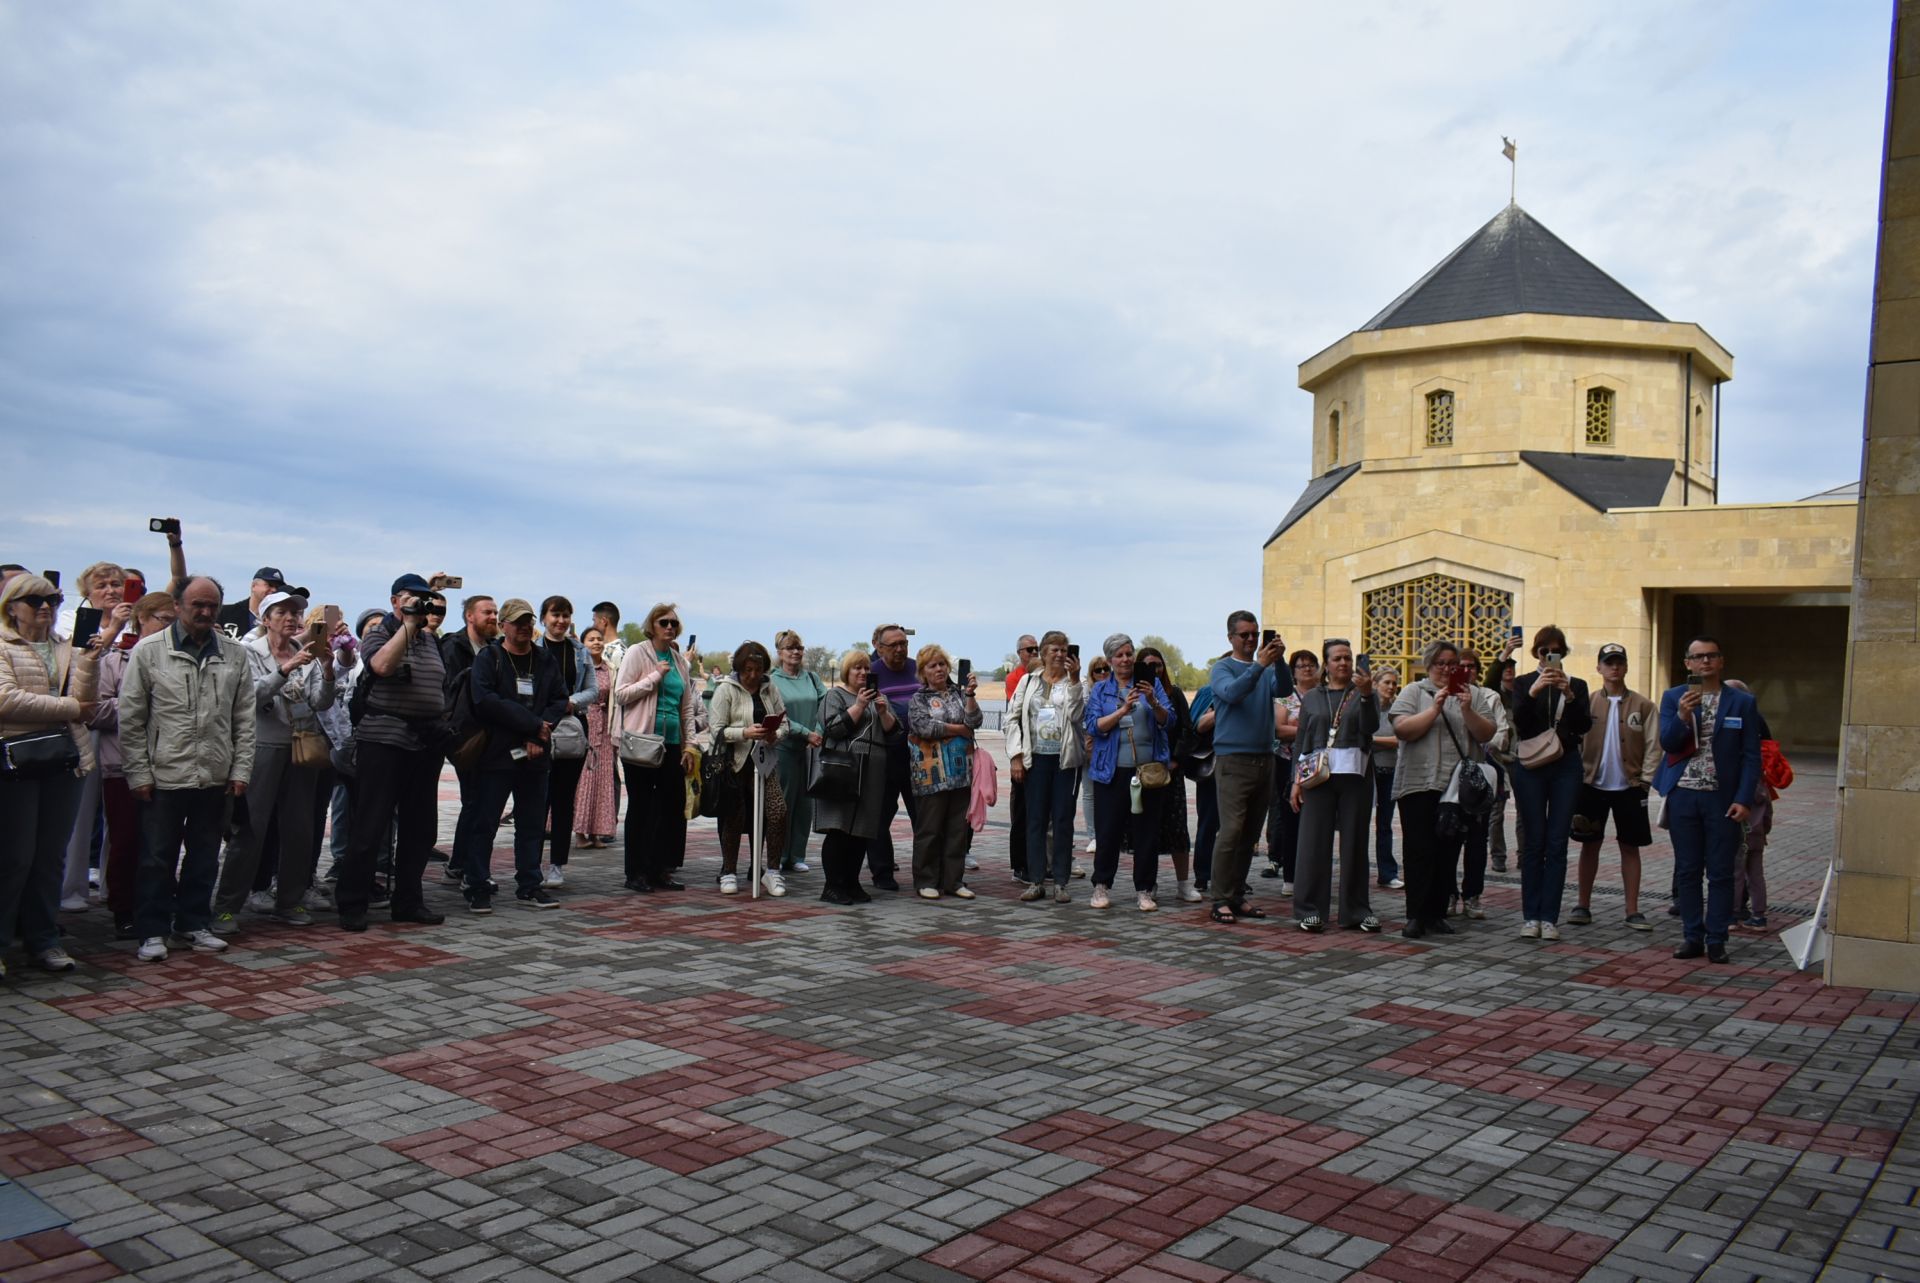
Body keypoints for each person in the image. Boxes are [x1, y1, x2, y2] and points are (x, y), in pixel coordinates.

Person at [120, 576, 249, 961]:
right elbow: (131, 718)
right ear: (178, 606)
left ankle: (194, 923)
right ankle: (152, 930)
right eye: (198, 605)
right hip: (164, 774)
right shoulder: (149, 651)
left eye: (213, 606)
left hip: (215, 773)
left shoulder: (233, 653)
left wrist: (240, 769)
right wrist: (138, 773)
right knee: (157, 857)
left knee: (205, 853)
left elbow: (244, 718)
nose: (206, 612)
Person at [211, 590, 336, 930]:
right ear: (265, 619)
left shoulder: (304, 652)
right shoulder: (248, 652)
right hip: (261, 746)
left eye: (296, 613)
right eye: (282, 612)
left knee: (299, 829)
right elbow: (248, 697)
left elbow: (319, 703)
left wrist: (327, 671)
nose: (291, 618)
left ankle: (290, 900)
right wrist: (284, 670)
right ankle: (226, 907)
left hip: (300, 748)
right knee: (250, 830)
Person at [337, 574, 450, 932]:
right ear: (394, 602)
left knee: (420, 829)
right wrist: (409, 624)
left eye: (423, 598)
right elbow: (382, 667)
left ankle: (408, 901)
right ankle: (353, 903)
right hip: (383, 741)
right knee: (370, 825)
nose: (419, 603)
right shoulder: (379, 633)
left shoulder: (430, 640)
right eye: (411, 598)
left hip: (425, 743)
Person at [0, 573, 101, 974]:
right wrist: (69, 708)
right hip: (17, 763)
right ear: (12, 606)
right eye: (34, 600)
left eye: (53, 600)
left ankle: (44, 938)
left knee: (50, 857)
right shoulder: (3, 645)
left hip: (66, 758)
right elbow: (6, 701)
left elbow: (87, 701)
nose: (45, 607)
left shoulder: (67, 646)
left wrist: (89, 662)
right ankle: (4, 940)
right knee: (14, 857)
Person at [1387, 640, 1509, 940]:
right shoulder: (1414, 692)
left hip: (1456, 787)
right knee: (1419, 850)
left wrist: (1466, 708)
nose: (1446, 669)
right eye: (1440, 663)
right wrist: (1436, 707)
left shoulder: (1475, 694)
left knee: (1448, 849)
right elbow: (1403, 729)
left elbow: (1487, 733)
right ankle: (1416, 915)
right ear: (1428, 665)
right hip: (1418, 783)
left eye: (1452, 664)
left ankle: (1438, 914)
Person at [1654, 636, 1762, 964]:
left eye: (1711, 656)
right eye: (1698, 657)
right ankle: (1692, 936)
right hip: (1684, 794)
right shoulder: (1675, 697)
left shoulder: (1742, 702)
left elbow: (1750, 757)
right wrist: (1683, 717)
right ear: (1688, 663)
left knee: (1720, 872)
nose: (1705, 662)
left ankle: (1717, 938)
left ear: (1721, 661)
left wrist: (1744, 799)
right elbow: (1669, 744)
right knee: (1687, 870)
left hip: (1723, 799)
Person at [461, 599, 568, 912]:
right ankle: (477, 883)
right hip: (497, 754)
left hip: (536, 754)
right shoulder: (490, 657)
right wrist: (533, 726)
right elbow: (485, 701)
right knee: (485, 821)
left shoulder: (545, 660)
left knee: (532, 824)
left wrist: (539, 733)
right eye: (517, 621)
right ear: (503, 625)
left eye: (528, 621)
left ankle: (529, 884)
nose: (523, 627)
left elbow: (560, 699)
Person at [91, 591, 177, 938]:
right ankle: (123, 909)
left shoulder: (175, 658)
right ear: (141, 617)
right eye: (163, 619)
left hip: (169, 764)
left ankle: (158, 904)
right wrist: (141, 705)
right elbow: (95, 710)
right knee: (127, 841)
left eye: (174, 621)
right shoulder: (116, 660)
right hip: (123, 764)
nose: (169, 627)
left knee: (164, 842)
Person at [1507, 626, 1593, 941]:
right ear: (1536, 653)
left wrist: (1569, 696)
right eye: (1544, 651)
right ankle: (1531, 916)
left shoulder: (1578, 685)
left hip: (1566, 765)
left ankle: (1549, 917)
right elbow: (1522, 723)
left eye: (1555, 651)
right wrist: (1533, 692)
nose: (1549, 656)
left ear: (1563, 653)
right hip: (1530, 766)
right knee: (1534, 842)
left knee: (1557, 843)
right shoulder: (1522, 683)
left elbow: (1583, 725)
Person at [1288, 640, 1381, 932]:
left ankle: (1356, 910)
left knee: (1355, 843)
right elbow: (1302, 739)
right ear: (1326, 665)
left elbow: (1370, 728)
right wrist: (1295, 782)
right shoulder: (1314, 697)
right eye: (1337, 658)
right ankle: (1309, 910)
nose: (1344, 663)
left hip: (1356, 776)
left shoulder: (1365, 693)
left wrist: (1366, 696)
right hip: (1318, 777)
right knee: (1313, 843)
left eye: (1348, 658)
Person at [57, 561, 132, 913]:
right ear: (87, 591)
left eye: (116, 584)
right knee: (81, 811)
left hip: (120, 729)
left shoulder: (134, 623)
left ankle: (110, 883)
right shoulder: (77, 621)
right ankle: (71, 889)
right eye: (101, 585)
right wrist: (113, 626)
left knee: (118, 811)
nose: (111, 590)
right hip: (84, 726)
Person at [1569, 643, 1660, 931]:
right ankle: (1582, 904)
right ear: (1599, 667)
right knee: (1589, 846)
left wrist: (1646, 780)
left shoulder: (1644, 705)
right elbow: (1575, 741)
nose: (1614, 667)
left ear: (1627, 666)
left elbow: (1653, 745)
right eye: (1608, 662)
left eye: (1619, 662)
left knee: (1630, 847)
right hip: (1591, 785)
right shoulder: (1588, 702)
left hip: (1630, 787)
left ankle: (1632, 909)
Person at [1206, 611, 1290, 924]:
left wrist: (1279, 660)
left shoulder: (1266, 668)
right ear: (1231, 637)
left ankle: (1237, 895)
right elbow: (1232, 693)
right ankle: (1220, 898)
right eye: (1245, 635)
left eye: (1255, 634)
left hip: (1264, 758)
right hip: (1233, 760)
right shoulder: (1222, 668)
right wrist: (1260, 665)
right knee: (1230, 832)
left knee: (1249, 835)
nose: (1252, 640)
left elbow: (1283, 688)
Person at [612, 603, 699, 894]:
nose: (670, 627)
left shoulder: (680, 661)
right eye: (664, 622)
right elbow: (621, 694)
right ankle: (636, 872)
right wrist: (653, 678)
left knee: (671, 808)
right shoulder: (638, 652)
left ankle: (660, 868)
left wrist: (690, 745)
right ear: (652, 625)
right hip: (642, 742)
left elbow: (687, 707)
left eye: (674, 623)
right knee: (641, 807)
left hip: (672, 743)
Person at [1084, 633, 1174, 911]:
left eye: (1128, 654)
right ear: (1110, 660)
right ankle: (1101, 886)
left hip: (1147, 772)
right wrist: (1122, 709)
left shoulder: (1152, 684)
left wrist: (1153, 702)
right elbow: (1093, 725)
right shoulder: (1101, 690)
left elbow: (1169, 721)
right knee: (1108, 831)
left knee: (1147, 833)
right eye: (1119, 655)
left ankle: (1145, 890)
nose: (1125, 659)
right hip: (1111, 772)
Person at [813, 650, 900, 904]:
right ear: (846, 672)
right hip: (844, 768)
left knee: (862, 830)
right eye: (856, 669)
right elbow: (833, 729)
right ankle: (833, 885)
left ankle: (852, 882)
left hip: (873, 771)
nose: (862, 673)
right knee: (840, 829)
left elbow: (894, 734)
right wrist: (859, 705)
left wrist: (883, 712)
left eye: (866, 669)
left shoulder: (879, 698)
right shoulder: (835, 695)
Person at [1004, 631, 1084, 902]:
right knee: (1035, 819)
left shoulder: (1076, 682)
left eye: (1064, 649)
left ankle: (1060, 881)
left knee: (1062, 820)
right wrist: (1016, 756)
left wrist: (1074, 681)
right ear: (1043, 652)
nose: (1060, 654)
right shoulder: (1028, 682)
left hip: (1065, 761)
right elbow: (1012, 718)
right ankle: (1036, 879)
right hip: (1035, 759)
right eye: (1054, 650)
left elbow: (1076, 716)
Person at [709, 641, 793, 897]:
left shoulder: (770, 689)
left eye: (757, 669)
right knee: (735, 816)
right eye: (747, 670)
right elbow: (716, 730)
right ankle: (729, 871)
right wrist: (745, 732)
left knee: (777, 811)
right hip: (734, 763)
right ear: (739, 668)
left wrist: (774, 734)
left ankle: (773, 870)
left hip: (765, 762)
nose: (753, 675)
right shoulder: (726, 689)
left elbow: (785, 724)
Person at [905, 644, 982, 900]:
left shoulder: (959, 694)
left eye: (941, 664)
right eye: (932, 665)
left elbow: (974, 722)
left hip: (961, 774)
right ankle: (926, 879)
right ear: (923, 672)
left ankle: (954, 880)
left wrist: (970, 696)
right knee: (930, 829)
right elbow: (923, 727)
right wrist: (958, 729)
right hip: (930, 774)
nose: (938, 669)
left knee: (957, 829)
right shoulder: (919, 698)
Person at [535, 596, 597, 887]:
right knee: (535, 798)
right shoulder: (533, 648)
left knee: (563, 800)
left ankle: (557, 864)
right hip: (538, 727)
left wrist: (569, 702)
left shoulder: (580, 652)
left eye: (565, 615)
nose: (560, 620)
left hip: (572, 728)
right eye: (555, 614)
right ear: (543, 617)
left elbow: (593, 690)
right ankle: (530, 862)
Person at [439, 594, 499, 887]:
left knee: (480, 802)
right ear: (469, 616)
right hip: (465, 736)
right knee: (475, 800)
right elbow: (448, 693)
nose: (493, 617)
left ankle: (463, 863)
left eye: (496, 613)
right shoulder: (454, 646)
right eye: (487, 612)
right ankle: (462, 865)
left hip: (490, 736)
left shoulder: (494, 649)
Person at [1138, 646, 1204, 905]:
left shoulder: (1173, 693)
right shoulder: (1133, 694)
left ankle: (1183, 884)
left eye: (1158, 664)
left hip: (1170, 772)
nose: (1154, 669)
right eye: (1147, 665)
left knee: (1177, 829)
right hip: (1143, 771)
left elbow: (1189, 731)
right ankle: (1148, 882)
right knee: (1146, 830)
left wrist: (1176, 759)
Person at [866, 624, 920, 891]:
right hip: (884, 755)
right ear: (879, 647)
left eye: (904, 644)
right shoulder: (871, 673)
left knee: (922, 816)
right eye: (893, 645)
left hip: (918, 756)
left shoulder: (917, 668)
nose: (900, 649)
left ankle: (927, 872)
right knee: (879, 817)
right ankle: (882, 873)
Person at [769, 630, 827, 875]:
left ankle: (797, 855)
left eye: (799, 648)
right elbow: (776, 715)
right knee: (783, 804)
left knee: (805, 805)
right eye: (790, 648)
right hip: (784, 748)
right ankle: (779, 856)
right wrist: (805, 732)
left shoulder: (812, 678)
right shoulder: (772, 679)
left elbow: (826, 706)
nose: (795, 652)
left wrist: (817, 731)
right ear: (780, 652)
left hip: (811, 750)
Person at [1724, 679, 1777, 929]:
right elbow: (1767, 813)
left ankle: (1733, 914)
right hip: (1757, 834)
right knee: (1756, 873)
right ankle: (1759, 915)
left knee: (1735, 870)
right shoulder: (1762, 787)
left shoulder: (1741, 783)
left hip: (1740, 830)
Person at [1266, 650, 1320, 892]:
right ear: (1293, 670)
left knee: (1317, 820)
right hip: (1289, 763)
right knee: (1290, 819)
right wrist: (1310, 731)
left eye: (1311, 665)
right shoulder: (1286, 697)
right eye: (1301, 666)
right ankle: (1290, 877)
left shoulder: (1324, 695)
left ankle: (1312, 875)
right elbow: (1279, 729)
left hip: (1320, 765)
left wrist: (1297, 728)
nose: (1307, 669)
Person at [573, 627, 618, 848]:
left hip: (606, 727)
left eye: (600, 639)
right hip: (585, 724)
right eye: (591, 639)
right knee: (585, 779)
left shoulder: (611, 669)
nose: (597, 642)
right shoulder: (579, 666)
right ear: (583, 643)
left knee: (603, 780)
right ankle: (580, 832)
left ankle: (597, 832)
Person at [1004, 634, 1040, 882]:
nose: (1034, 652)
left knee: (1040, 813)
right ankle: (1020, 865)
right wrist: (1016, 757)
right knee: (1022, 812)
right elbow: (1013, 718)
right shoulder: (1016, 678)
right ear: (1020, 653)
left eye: (1038, 648)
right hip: (1023, 752)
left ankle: (1039, 860)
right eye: (1030, 649)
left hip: (1043, 754)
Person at [1367, 666, 1403, 892]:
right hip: (1367, 772)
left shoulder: (1398, 709)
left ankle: (1387, 874)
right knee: (1359, 824)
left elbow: (1400, 739)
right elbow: (1358, 736)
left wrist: (1373, 740)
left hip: (1390, 771)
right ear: (1375, 684)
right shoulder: (1365, 707)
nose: (1391, 687)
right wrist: (1382, 740)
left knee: (1385, 825)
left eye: (1394, 684)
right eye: (1386, 682)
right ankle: (1357, 871)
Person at [1186, 666, 1219, 894]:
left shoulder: (1252, 693)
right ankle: (1203, 874)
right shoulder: (1208, 693)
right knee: (1208, 821)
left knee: (1238, 825)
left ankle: (1234, 875)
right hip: (1212, 766)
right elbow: (1196, 725)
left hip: (1243, 764)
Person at [216, 567, 293, 640]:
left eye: (277, 587)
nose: (274, 590)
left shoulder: (281, 620)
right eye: (270, 585)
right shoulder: (225, 612)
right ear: (253, 586)